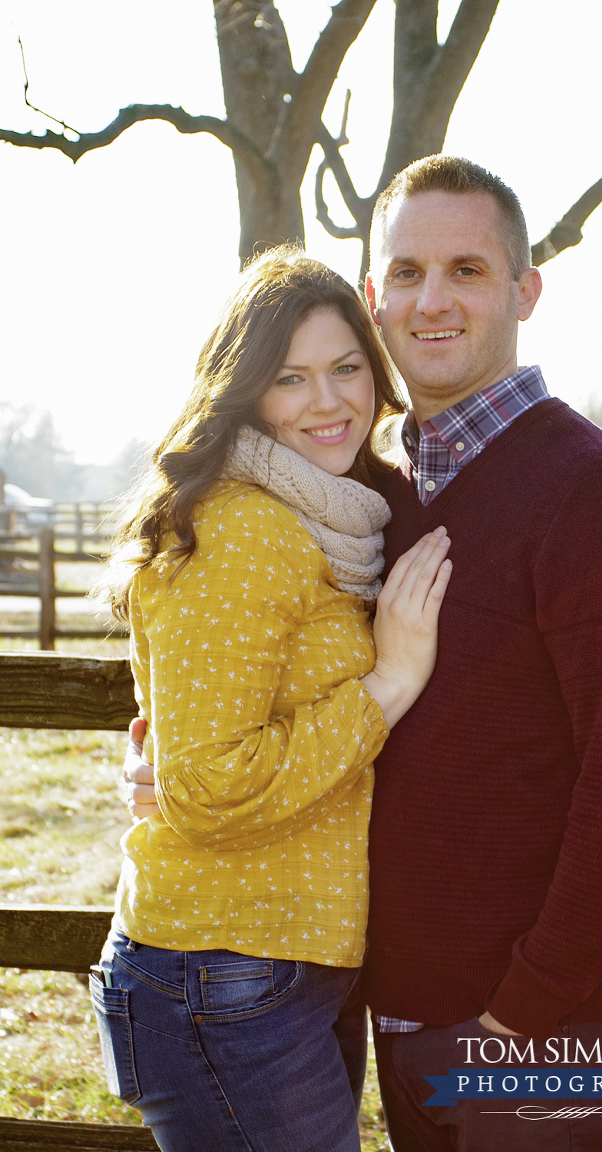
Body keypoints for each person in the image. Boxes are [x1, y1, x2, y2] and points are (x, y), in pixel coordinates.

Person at [127, 157, 602, 1152]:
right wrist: (172, 760)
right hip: (397, 1004)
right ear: (377, 295)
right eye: (407, 273)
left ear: (525, 290)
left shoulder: (595, 500)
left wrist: (524, 1014)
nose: (434, 301)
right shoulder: (368, 495)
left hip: (543, 1022)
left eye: (467, 270)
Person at [92, 246, 452, 1152]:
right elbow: (213, 782)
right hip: (221, 969)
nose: (327, 402)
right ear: (246, 391)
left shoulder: (336, 515)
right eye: (290, 378)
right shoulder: (244, 526)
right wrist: (389, 684)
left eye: (345, 368)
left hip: (285, 960)